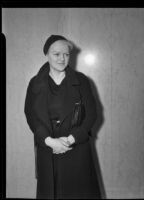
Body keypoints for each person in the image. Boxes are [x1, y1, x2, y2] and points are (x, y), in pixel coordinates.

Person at [24, 35, 101, 199]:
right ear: (46, 54)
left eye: (66, 54)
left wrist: (71, 139)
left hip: (76, 149)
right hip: (48, 149)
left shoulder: (82, 81)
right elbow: (31, 116)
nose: (62, 58)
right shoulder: (34, 83)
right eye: (56, 54)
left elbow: (92, 114)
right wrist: (49, 141)